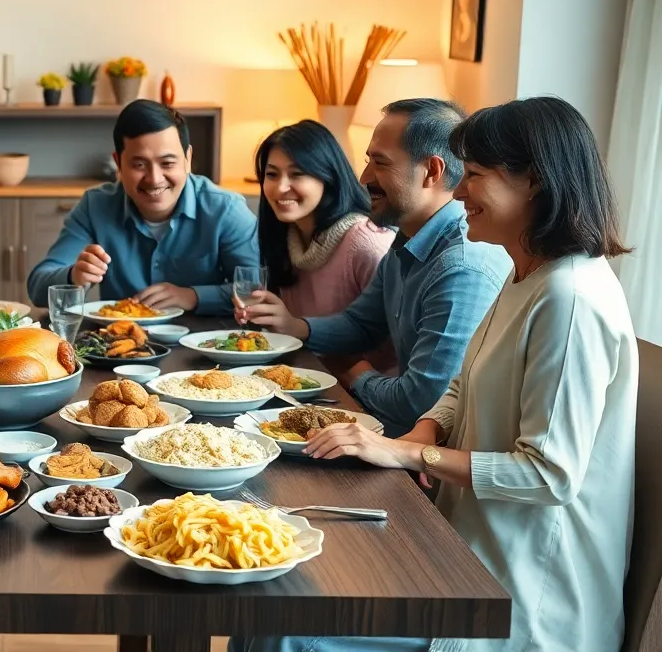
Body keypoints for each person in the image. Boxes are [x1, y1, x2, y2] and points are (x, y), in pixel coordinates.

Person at [233, 96, 638, 652]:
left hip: (520, 596)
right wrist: (421, 433)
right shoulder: (527, 276)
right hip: (459, 544)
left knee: (283, 629)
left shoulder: (569, 297)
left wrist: (405, 453)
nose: (460, 190)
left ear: (535, 183)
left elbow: (549, 476)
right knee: (269, 600)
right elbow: (457, 389)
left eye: (473, 175)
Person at [239, 99, 511, 435]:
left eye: (379, 164)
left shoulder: (461, 267)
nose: (364, 176)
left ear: (432, 171)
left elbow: (419, 404)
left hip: (420, 455)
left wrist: (355, 374)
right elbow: (360, 323)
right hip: (382, 429)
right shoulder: (407, 236)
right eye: (368, 161)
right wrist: (300, 328)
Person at [27, 99, 259, 315]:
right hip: (119, 347)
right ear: (118, 163)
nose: (155, 178)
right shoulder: (95, 206)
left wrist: (193, 296)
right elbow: (38, 287)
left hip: (207, 344)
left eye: (167, 163)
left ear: (187, 159)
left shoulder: (226, 209)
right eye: (139, 164)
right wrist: (73, 276)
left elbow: (257, 291)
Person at [253, 120, 395, 372]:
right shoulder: (285, 235)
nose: (281, 187)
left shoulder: (366, 242)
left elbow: (393, 343)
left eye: (297, 174)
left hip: (361, 392)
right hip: (301, 377)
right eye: (271, 174)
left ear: (327, 176)